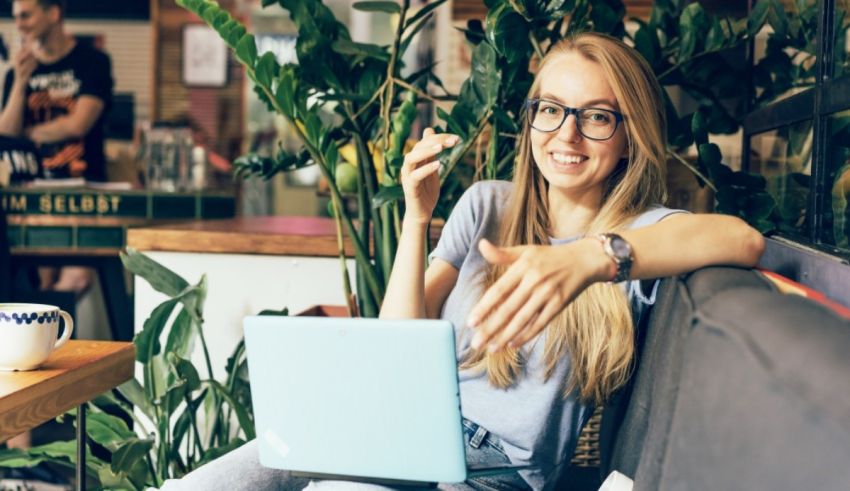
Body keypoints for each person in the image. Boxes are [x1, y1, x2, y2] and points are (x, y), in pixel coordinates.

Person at [157, 33, 764, 490]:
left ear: (631, 133)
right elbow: (397, 343)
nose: (566, 136)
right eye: (550, 110)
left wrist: (590, 259)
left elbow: (743, 242)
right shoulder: (488, 206)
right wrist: (416, 219)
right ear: (531, 120)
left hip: (500, 470)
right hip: (402, 428)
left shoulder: (639, 237)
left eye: (596, 117)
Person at [0, 0, 113, 296]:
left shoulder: (92, 61)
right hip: (34, 196)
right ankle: (47, 338)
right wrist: (21, 80)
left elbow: (78, 124)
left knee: (76, 279)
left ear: (53, 13)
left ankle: (56, 337)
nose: (20, 24)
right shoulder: (17, 74)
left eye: (26, 15)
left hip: (84, 193)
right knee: (39, 282)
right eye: (16, 17)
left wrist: (28, 134)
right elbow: (6, 134)